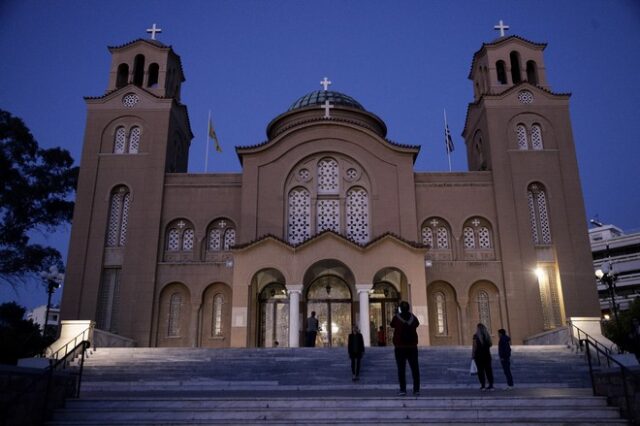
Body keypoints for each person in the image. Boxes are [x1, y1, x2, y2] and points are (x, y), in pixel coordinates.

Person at [390, 301, 420, 396]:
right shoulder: (413, 318)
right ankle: (416, 389)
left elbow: (392, 325)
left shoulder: (397, 318)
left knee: (401, 369)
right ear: (408, 308)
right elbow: (417, 324)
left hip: (400, 347)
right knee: (415, 369)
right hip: (412, 347)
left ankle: (403, 389)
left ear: (400, 308)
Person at [472, 323, 494, 391]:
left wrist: (472, 355)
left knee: (480, 371)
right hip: (487, 356)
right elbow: (490, 345)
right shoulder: (487, 336)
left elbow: (474, 347)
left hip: (479, 356)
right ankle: (491, 385)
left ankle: (483, 385)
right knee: (489, 371)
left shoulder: (476, 336)